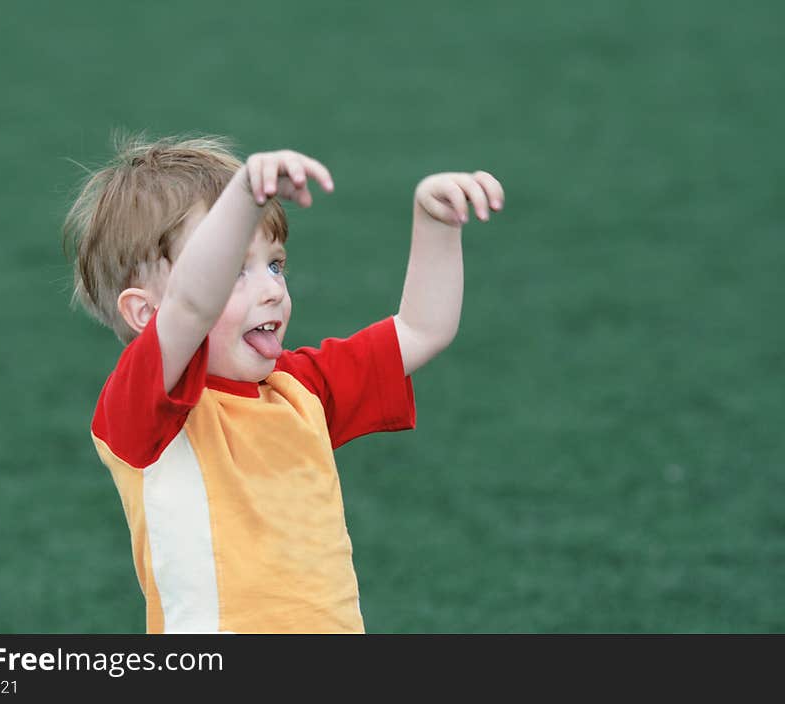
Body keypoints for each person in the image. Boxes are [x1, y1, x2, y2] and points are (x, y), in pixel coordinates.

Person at [64, 135, 504, 633]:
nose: (273, 289)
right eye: (236, 271)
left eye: (274, 265)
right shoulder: (142, 410)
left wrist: (436, 226)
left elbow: (422, 331)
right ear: (147, 313)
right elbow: (191, 303)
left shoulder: (299, 388)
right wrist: (242, 197)